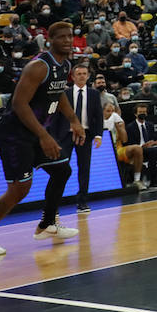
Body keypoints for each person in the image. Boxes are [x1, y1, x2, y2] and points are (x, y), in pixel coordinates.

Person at [0, 21, 86, 258]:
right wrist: (44, 135)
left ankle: (47, 224)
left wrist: (74, 120)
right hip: (15, 135)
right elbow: (19, 104)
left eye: (71, 36)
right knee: (20, 189)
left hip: (35, 132)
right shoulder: (39, 66)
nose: (68, 40)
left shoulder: (65, 64)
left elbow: (58, 93)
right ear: (50, 40)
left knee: (61, 170)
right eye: (62, 37)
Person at [67, 63, 104, 213]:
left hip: (86, 134)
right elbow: (58, 116)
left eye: (84, 73)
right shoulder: (66, 94)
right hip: (67, 135)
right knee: (61, 168)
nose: (82, 76)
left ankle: (82, 201)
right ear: (73, 76)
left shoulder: (94, 94)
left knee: (84, 168)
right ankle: (54, 204)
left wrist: (98, 135)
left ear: (88, 76)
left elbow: (98, 116)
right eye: (79, 74)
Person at [104, 100, 144, 190]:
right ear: (102, 111)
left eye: (113, 111)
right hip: (103, 150)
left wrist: (120, 127)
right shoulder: (98, 121)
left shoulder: (117, 120)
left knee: (137, 149)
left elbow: (125, 140)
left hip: (117, 148)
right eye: (108, 111)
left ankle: (137, 180)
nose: (111, 114)